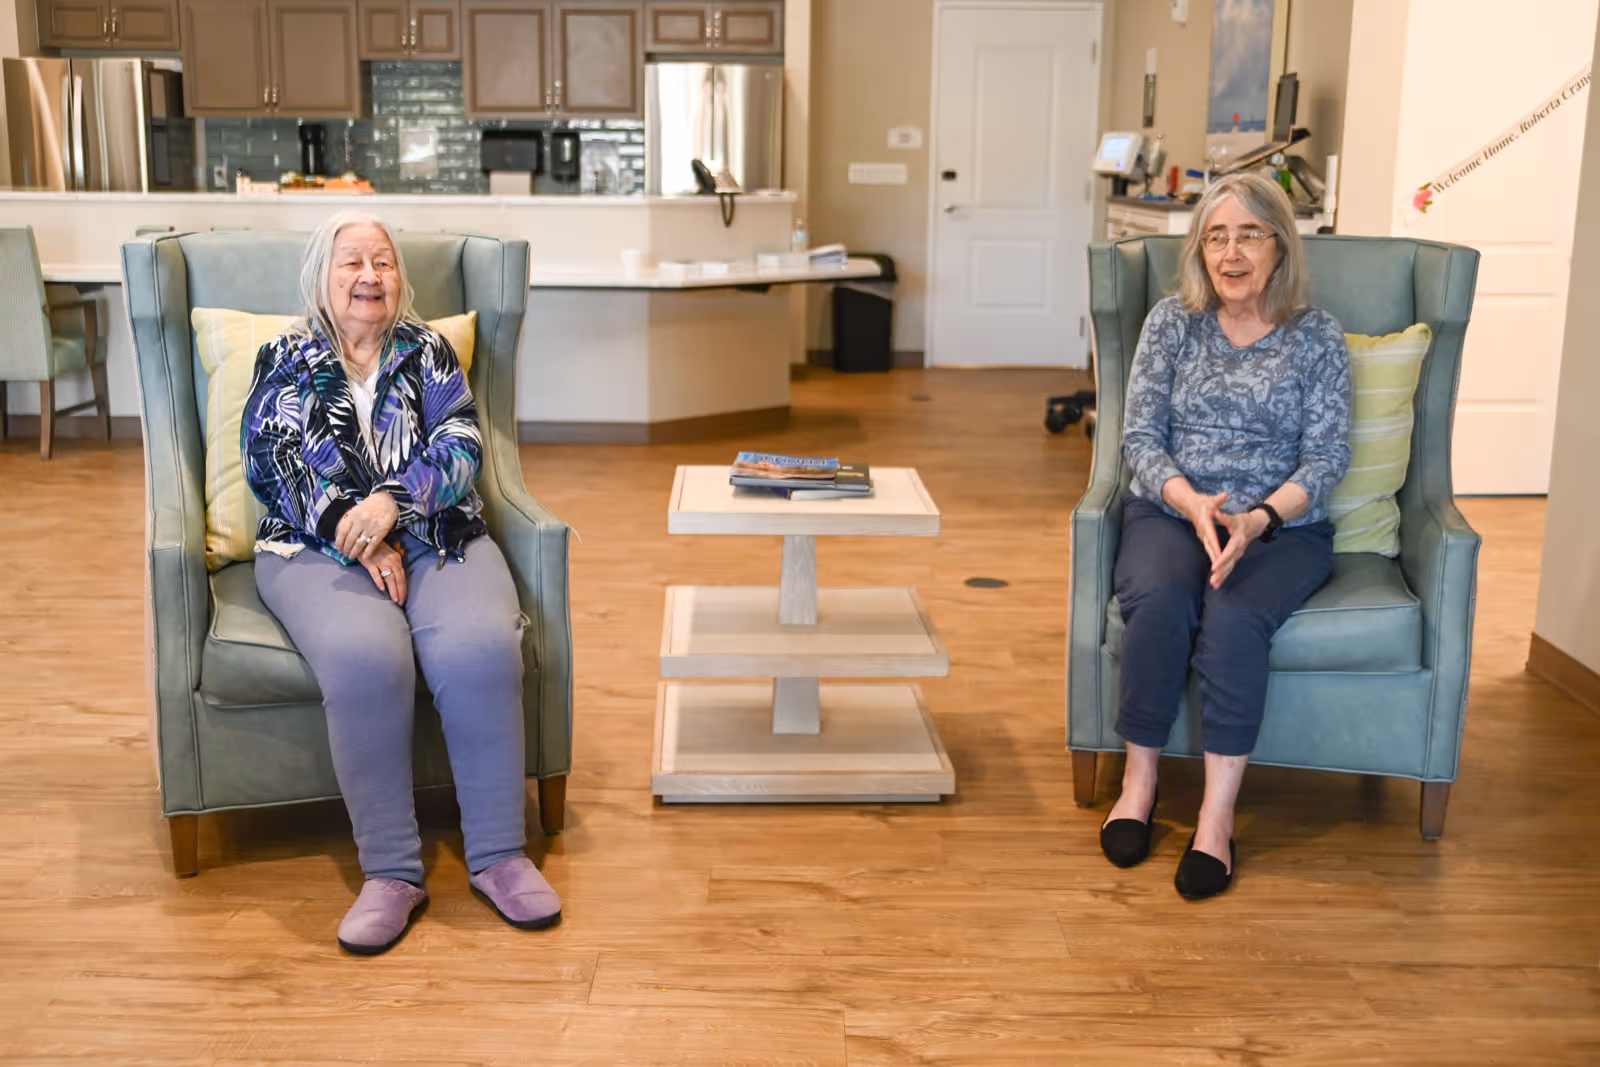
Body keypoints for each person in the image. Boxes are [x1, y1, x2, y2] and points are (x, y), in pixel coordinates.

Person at [242, 211, 560, 954]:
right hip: (314, 548)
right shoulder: (284, 357)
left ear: (399, 277)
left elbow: (460, 442)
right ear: (322, 277)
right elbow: (272, 464)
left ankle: (499, 855)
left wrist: (391, 506)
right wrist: (355, 534)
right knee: (366, 659)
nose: (368, 277)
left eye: (381, 262)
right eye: (350, 262)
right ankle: (390, 872)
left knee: (482, 647)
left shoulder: (428, 350)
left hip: (434, 533)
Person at [1099, 173, 1352, 899]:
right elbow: (1140, 438)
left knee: (1235, 615)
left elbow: (1327, 457)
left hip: (1281, 527)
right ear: (1199, 249)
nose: (1231, 252)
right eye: (1216, 235)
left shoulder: (1317, 337)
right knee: (1160, 595)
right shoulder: (1170, 322)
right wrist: (1191, 503)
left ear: (1280, 246)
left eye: (1249, 234)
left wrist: (1257, 518)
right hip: (1175, 507)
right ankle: (1138, 783)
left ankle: (1216, 818)